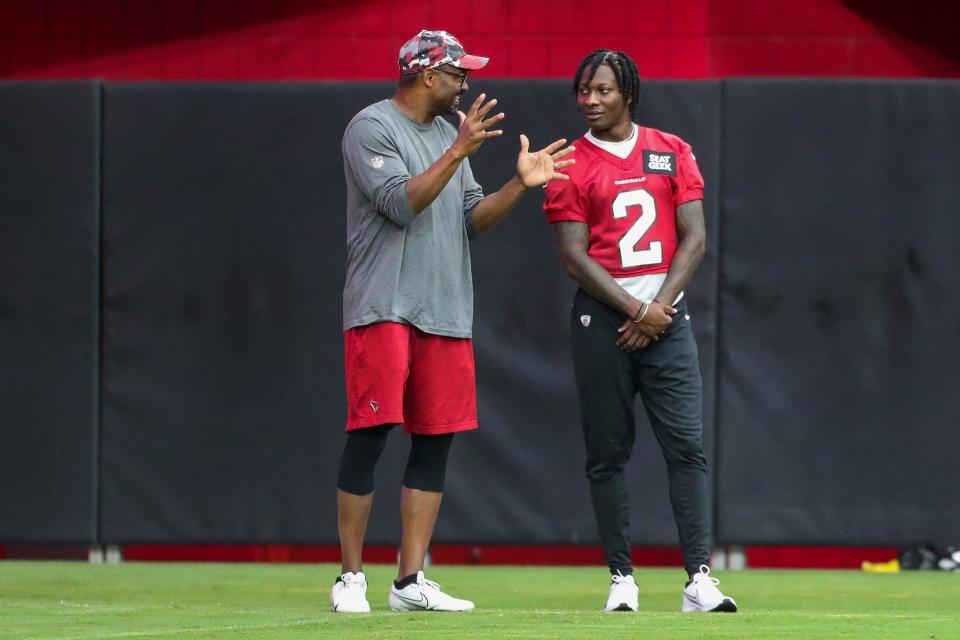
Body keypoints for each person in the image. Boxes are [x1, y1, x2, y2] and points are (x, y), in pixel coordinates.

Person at [330, 30, 574, 614]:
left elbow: (473, 218)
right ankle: (350, 577)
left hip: (446, 312)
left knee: (435, 442)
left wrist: (520, 182)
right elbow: (399, 202)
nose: (467, 83)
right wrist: (458, 152)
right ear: (426, 75)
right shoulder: (371, 127)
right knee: (370, 434)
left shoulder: (447, 134)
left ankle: (410, 581)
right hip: (384, 306)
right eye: (458, 73)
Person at [542, 49, 738, 614]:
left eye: (602, 90)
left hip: (666, 317)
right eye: (582, 90)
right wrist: (635, 308)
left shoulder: (671, 150)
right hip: (605, 317)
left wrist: (658, 307)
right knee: (607, 451)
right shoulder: (570, 162)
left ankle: (699, 578)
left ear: (627, 92)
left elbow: (694, 238)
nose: (590, 100)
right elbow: (574, 257)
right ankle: (621, 577)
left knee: (688, 449)